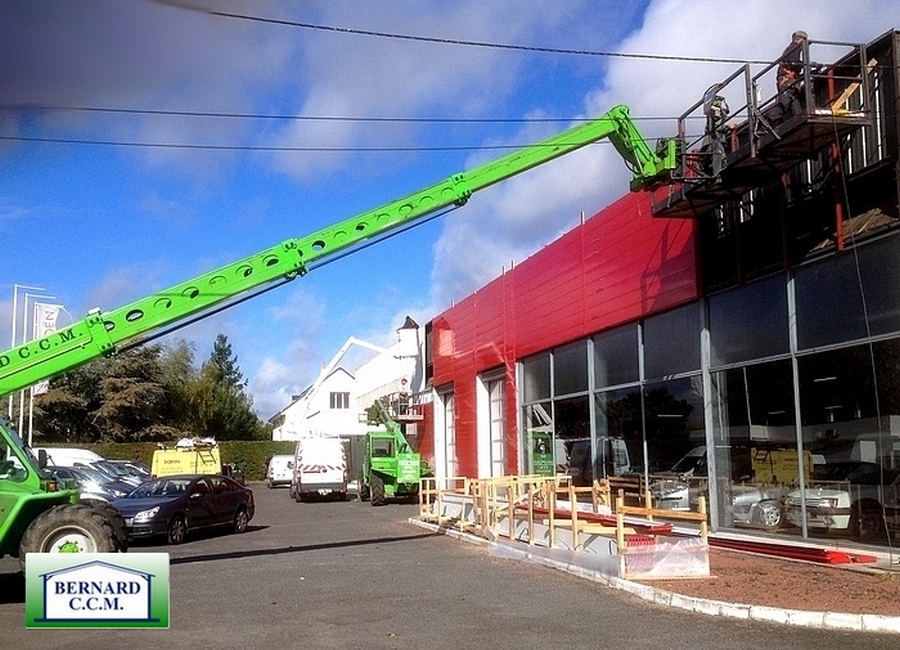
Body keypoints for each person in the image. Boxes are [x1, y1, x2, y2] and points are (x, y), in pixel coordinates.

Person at [776, 30, 808, 119]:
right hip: (787, 81)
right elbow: (793, 63)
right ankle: (769, 120)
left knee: (794, 103)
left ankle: (798, 117)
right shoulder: (794, 47)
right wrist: (805, 65)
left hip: (787, 80)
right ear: (801, 40)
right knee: (784, 104)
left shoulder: (790, 49)